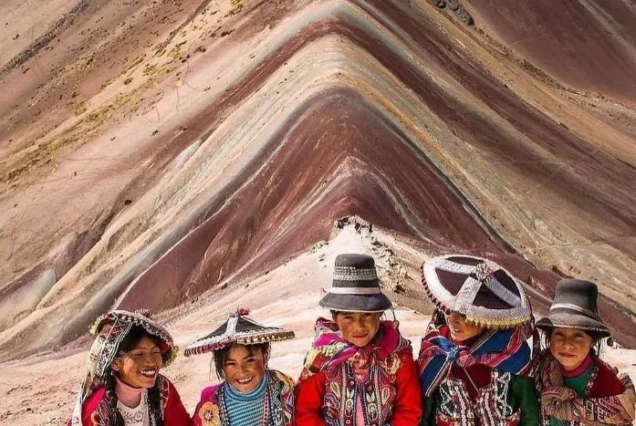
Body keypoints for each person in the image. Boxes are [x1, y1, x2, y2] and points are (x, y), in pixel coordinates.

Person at [295, 253, 422, 426]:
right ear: (334, 317)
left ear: (379, 314)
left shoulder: (398, 356)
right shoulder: (321, 358)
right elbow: (305, 411)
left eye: (367, 315)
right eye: (348, 317)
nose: (359, 326)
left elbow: (409, 410)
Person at [417, 254, 539, 426]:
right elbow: (426, 410)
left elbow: (529, 413)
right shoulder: (436, 350)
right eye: (449, 311)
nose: (453, 320)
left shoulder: (512, 351)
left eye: (464, 315)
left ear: (486, 318)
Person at [536, 279, 636, 425]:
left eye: (578, 336)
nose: (567, 344)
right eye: (559, 334)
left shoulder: (609, 385)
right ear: (549, 336)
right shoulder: (541, 368)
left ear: (593, 340)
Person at [68, 309, 190, 426]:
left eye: (155, 352)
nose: (151, 361)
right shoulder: (96, 408)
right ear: (115, 363)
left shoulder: (163, 388)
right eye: (139, 354)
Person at [186, 308, 296, 426]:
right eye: (231, 364)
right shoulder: (210, 400)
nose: (242, 372)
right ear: (221, 366)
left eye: (249, 361)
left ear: (264, 356)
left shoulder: (283, 385)